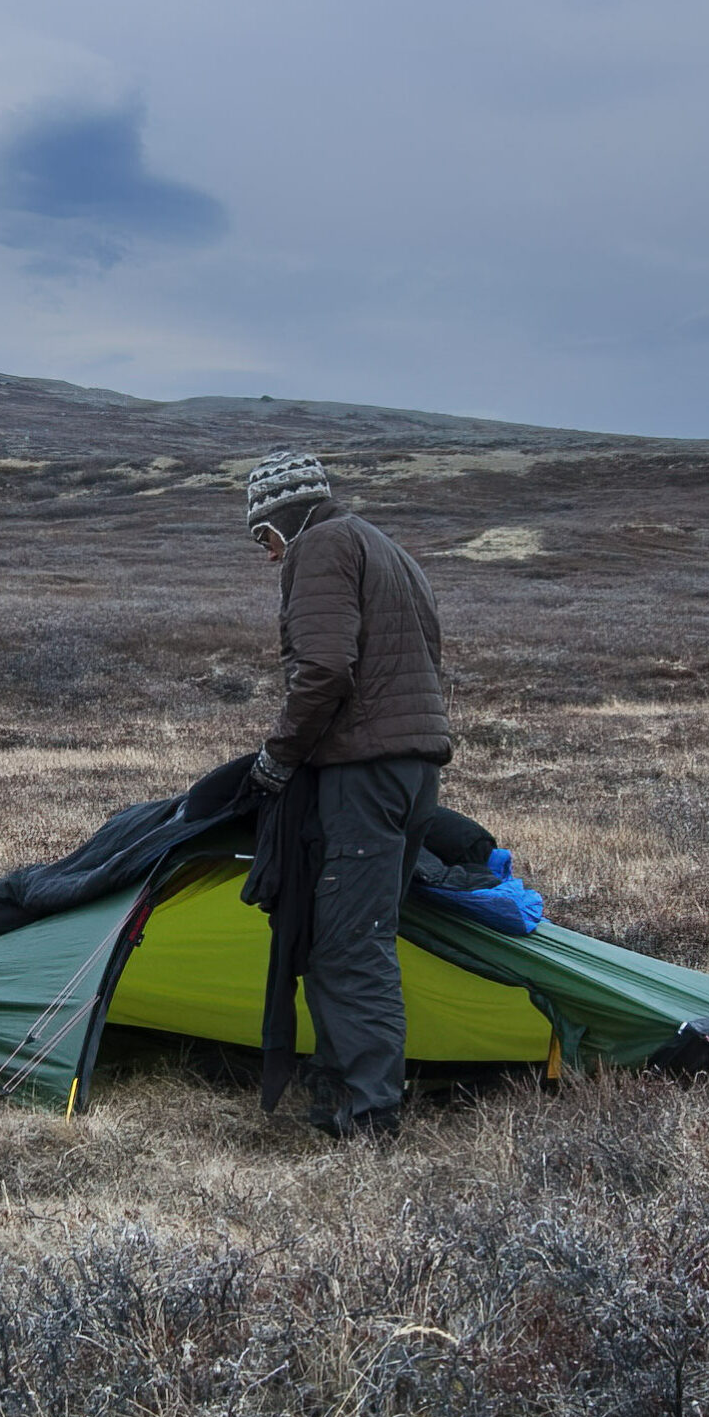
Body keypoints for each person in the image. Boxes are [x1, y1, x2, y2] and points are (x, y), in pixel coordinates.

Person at [243, 448, 452, 1138]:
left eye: (264, 538)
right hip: (413, 773)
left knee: (347, 945)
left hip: (364, 775)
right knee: (360, 934)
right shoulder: (385, 548)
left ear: (287, 516)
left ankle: (369, 1116)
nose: (269, 557)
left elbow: (327, 666)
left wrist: (278, 757)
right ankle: (336, 1100)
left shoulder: (323, 546)